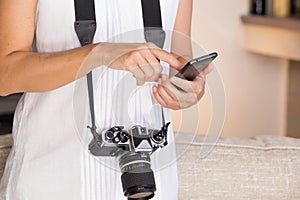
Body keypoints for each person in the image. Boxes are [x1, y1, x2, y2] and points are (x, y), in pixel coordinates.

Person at [0, 0, 211, 199]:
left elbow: (178, 65)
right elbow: (5, 74)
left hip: (150, 183)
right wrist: (99, 53)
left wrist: (188, 91)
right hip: (55, 179)